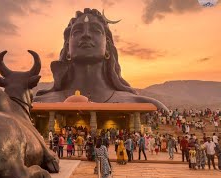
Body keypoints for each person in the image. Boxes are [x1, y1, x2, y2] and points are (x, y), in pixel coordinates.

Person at [33, 8, 168, 112]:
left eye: (96, 31)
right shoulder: (37, 103)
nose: (86, 35)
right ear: (67, 49)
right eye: (77, 32)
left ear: (108, 47)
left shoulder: (144, 104)